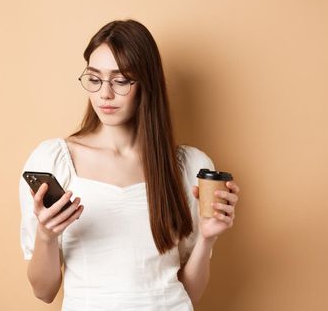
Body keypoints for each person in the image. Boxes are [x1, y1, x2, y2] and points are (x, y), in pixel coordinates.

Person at [19, 19, 240, 310]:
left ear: (147, 83)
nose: (105, 94)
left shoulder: (188, 167)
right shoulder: (54, 160)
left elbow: (189, 294)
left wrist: (207, 239)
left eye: (121, 80)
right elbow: (44, 291)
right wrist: (47, 236)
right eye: (95, 79)